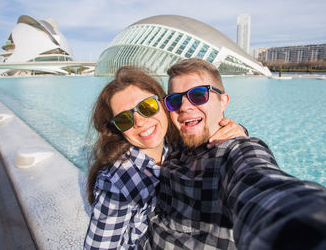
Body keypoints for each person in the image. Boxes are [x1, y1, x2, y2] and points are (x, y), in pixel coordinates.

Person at [141, 58, 326, 250]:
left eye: (198, 95)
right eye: (174, 100)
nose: (184, 106)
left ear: (223, 101)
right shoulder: (174, 140)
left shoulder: (233, 153)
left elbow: (264, 187)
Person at [83, 66, 246, 249]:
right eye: (124, 119)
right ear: (117, 128)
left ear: (164, 104)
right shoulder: (118, 180)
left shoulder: (175, 145)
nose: (140, 122)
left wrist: (235, 129)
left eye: (147, 107)